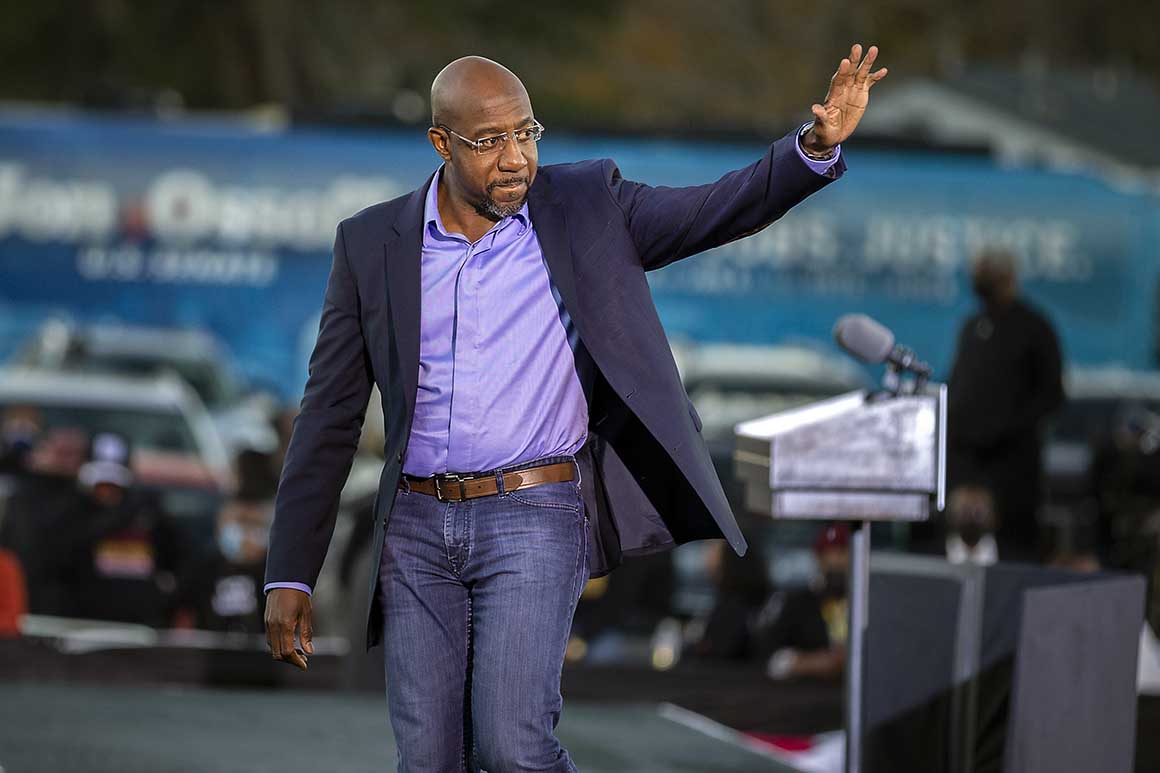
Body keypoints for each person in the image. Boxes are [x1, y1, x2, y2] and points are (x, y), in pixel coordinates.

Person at [264, 48, 887, 771]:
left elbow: (716, 207)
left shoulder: (589, 205)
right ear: (441, 143)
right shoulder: (372, 243)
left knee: (511, 746)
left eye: (526, 133)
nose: (515, 158)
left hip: (535, 515)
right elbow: (328, 417)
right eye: (489, 140)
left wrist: (812, 148)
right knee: (428, 759)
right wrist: (290, 571)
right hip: (415, 527)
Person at [947, 247, 1065, 559]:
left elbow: (1051, 395)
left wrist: (1002, 429)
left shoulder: (1033, 327)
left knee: (1011, 558)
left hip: (1011, 472)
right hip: (967, 466)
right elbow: (959, 384)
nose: (980, 281)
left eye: (988, 274)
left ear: (1008, 277)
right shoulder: (973, 326)